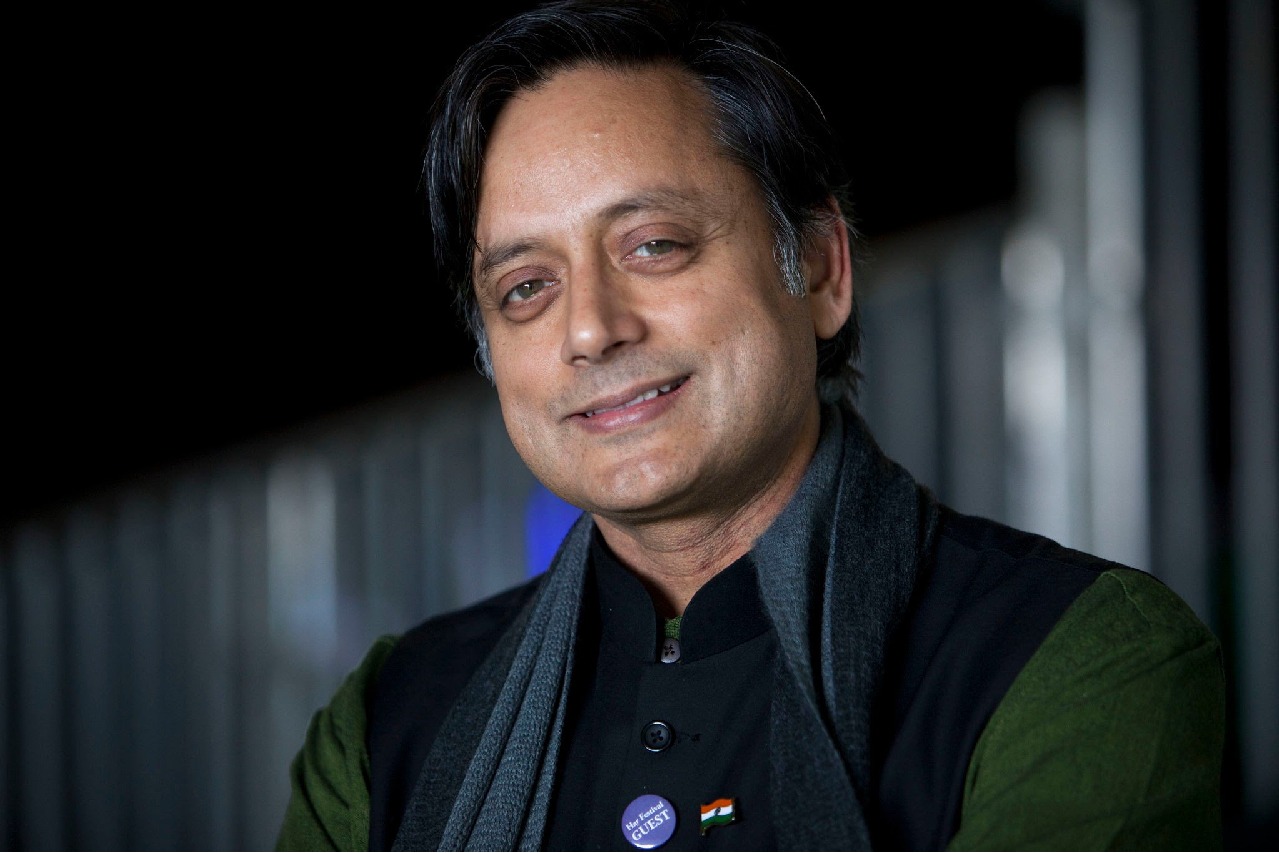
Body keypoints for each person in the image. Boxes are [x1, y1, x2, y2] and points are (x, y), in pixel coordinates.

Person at [276, 1, 1226, 849]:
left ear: (819, 270)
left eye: (653, 244)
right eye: (526, 287)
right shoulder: (389, 725)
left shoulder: (1071, 656)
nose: (590, 329)